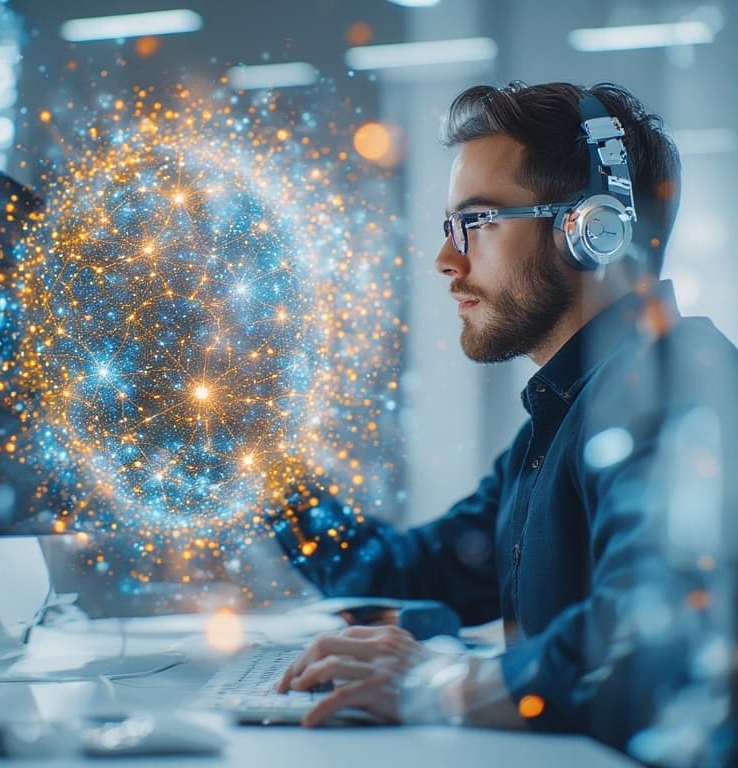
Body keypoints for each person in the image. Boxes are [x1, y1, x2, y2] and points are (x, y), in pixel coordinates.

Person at [266, 81, 738, 765]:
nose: (446, 261)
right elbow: (405, 572)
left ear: (594, 230)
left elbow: (653, 643)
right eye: (447, 228)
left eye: (477, 223)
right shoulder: (559, 421)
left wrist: (441, 681)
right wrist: (258, 460)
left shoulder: (676, 384)